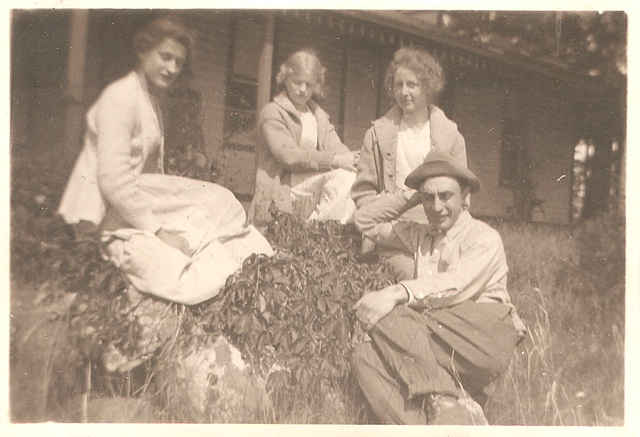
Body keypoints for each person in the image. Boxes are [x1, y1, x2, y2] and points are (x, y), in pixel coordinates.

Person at [57, 16, 273, 306]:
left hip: (132, 209)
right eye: (165, 57)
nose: (171, 69)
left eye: (179, 62)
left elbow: (153, 177)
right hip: (106, 218)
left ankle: (236, 263)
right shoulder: (121, 97)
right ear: (143, 51)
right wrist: (158, 230)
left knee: (219, 210)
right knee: (179, 269)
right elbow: (113, 180)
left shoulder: (149, 100)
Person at [351, 151, 526, 425]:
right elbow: (365, 221)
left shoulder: (483, 237)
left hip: (482, 337)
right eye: (428, 197)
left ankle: (445, 399)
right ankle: (449, 420)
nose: (436, 206)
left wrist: (398, 292)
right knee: (365, 357)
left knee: (389, 311)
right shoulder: (419, 235)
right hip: (438, 338)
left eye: (446, 195)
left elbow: (454, 286)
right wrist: (411, 193)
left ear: (465, 196)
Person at [351, 47, 467, 279]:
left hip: (438, 226)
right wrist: (381, 213)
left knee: (450, 281)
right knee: (412, 275)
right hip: (394, 229)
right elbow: (363, 191)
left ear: (428, 87)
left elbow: (462, 196)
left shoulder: (450, 135)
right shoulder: (377, 134)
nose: (404, 92)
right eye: (398, 85)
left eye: (412, 85)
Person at [248, 48, 359, 230]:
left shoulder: (317, 115)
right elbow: (289, 156)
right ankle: (316, 233)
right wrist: (335, 160)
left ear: (316, 85)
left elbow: (338, 148)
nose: (303, 89)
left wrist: (355, 161)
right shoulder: (273, 113)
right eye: (297, 82)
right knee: (341, 179)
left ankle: (318, 230)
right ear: (285, 79)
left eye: (309, 84)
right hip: (282, 189)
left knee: (353, 178)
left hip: (308, 188)